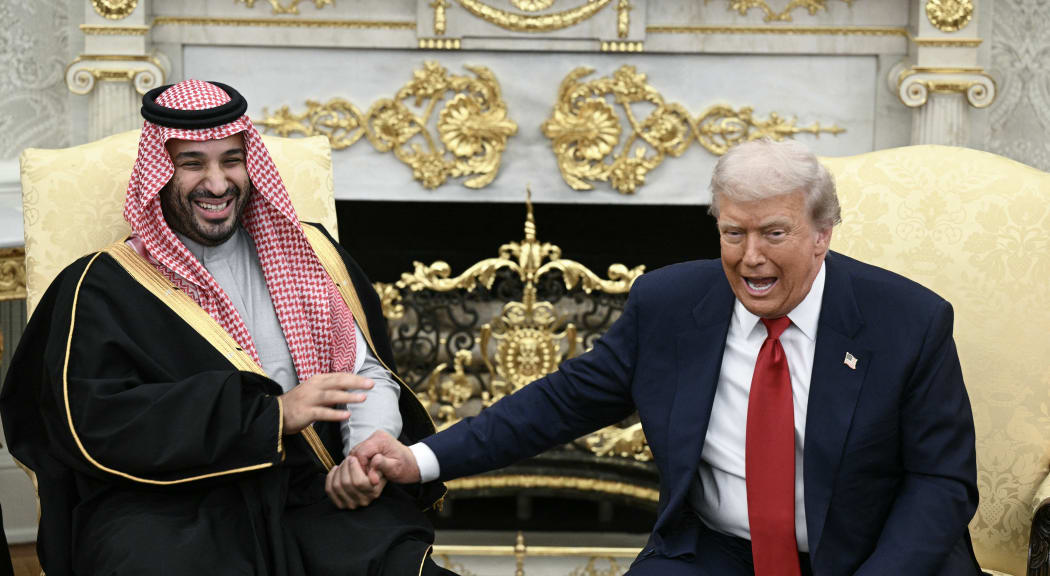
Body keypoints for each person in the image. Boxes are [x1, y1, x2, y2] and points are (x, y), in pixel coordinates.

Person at [355, 139, 981, 575]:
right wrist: (421, 459)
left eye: (774, 233)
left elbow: (942, 483)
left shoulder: (909, 322)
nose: (751, 257)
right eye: (733, 232)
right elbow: (560, 403)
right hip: (715, 553)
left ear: (822, 235)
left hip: (872, 557)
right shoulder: (670, 304)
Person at [0, 80, 453, 576]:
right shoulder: (102, 286)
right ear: (157, 172)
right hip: (170, 506)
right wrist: (270, 417)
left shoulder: (307, 252)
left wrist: (367, 452)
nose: (217, 183)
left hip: (307, 488)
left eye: (231, 160)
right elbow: (95, 423)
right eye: (192, 163)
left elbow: (363, 372)